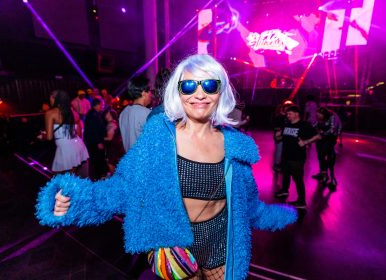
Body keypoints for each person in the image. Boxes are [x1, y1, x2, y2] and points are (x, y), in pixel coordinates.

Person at [36, 54, 297, 280]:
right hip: (178, 244)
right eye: (189, 85)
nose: (199, 93)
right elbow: (122, 188)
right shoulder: (158, 140)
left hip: (222, 240)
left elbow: (247, 204)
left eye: (209, 84)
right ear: (177, 92)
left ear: (220, 92)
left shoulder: (236, 147)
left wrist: (280, 215)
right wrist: (75, 201)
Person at [274, 105, 321, 209]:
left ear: (296, 114)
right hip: (286, 156)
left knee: (298, 179)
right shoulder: (287, 124)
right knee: (285, 175)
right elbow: (282, 137)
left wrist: (305, 142)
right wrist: (278, 136)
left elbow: (318, 135)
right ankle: (284, 191)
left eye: (289, 114)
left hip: (297, 158)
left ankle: (302, 201)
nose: (288, 116)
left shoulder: (304, 125)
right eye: (287, 114)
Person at [42, 90, 89, 174]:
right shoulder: (72, 112)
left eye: (50, 98)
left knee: (59, 178)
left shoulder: (50, 113)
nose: (50, 101)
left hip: (66, 148)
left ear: (54, 98)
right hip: (78, 145)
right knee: (70, 177)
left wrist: (42, 136)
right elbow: (78, 130)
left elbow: (49, 137)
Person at [118, 76, 152, 152]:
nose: (151, 94)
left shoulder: (123, 113)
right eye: (150, 91)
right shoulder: (146, 113)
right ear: (144, 93)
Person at [312, 107, 342, 189]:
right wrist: (314, 129)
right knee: (320, 155)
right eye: (317, 115)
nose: (318, 117)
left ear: (324, 114)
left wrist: (323, 133)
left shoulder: (332, 117)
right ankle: (323, 173)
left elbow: (333, 130)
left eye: (319, 115)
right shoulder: (319, 117)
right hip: (322, 136)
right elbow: (314, 125)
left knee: (328, 156)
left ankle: (331, 177)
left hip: (331, 137)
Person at [84, 98, 107, 180]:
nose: (103, 107)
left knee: (98, 160)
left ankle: (99, 177)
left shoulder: (94, 114)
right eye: (102, 105)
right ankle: (99, 178)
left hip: (94, 142)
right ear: (97, 105)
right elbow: (93, 130)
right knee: (98, 160)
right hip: (95, 143)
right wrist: (99, 142)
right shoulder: (93, 115)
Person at [103, 109, 124, 176]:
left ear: (110, 115)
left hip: (112, 147)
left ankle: (115, 181)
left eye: (107, 113)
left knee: (111, 164)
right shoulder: (114, 122)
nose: (105, 114)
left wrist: (98, 138)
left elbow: (109, 138)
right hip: (116, 146)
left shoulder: (111, 124)